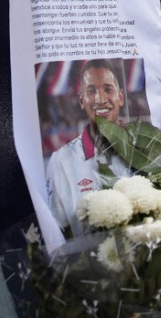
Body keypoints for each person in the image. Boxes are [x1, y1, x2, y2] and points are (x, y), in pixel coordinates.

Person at [44, 59, 134, 234]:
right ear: (81, 100)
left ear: (121, 97)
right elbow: (59, 232)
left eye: (108, 89)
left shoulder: (146, 149)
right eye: (91, 91)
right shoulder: (61, 161)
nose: (100, 99)